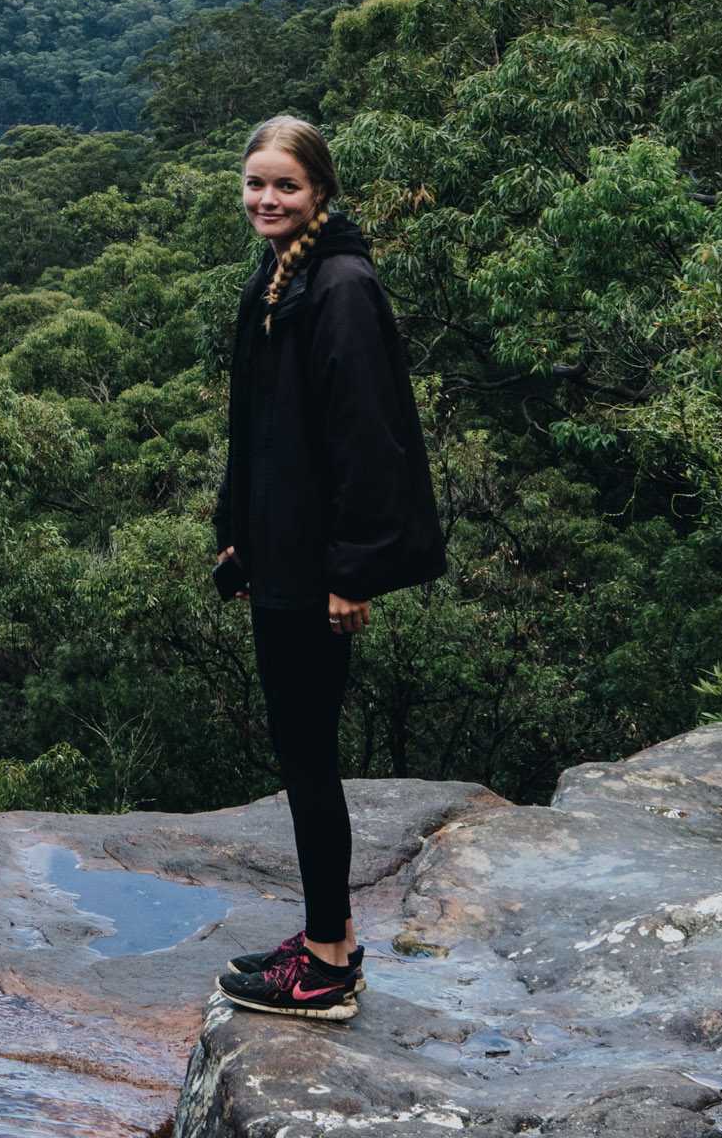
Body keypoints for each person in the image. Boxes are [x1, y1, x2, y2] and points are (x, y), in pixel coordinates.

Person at [209, 114, 445, 1023]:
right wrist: (239, 531)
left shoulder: (339, 286)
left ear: (321, 193)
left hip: (319, 571)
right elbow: (265, 430)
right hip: (283, 554)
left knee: (309, 759)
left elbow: (365, 443)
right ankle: (325, 937)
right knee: (300, 753)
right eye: (255, 183)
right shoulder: (280, 277)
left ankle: (328, 969)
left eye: (286, 187)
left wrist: (354, 574)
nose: (267, 199)